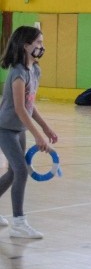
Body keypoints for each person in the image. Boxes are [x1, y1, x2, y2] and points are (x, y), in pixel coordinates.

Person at [0, 26, 58, 239]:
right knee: (21, 171)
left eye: (42, 43)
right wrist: (38, 135)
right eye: (38, 43)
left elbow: (30, 105)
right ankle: (19, 223)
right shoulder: (17, 72)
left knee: (14, 172)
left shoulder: (35, 70)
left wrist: (46, 127)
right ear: (26, 46)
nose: (42, 47)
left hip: (19, 129)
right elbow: (19, 108)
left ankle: (18, 221)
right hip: (5, 129)